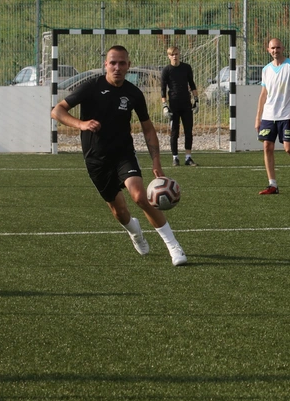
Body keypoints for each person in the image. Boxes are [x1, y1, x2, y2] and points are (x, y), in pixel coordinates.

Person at [51, 45, 188, 266]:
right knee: (120, 212)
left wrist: (156, 162)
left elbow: (148, 128)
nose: (117, 67)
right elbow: (57, 111)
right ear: (105, 64)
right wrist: (81, 124)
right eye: (113, 63)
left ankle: (174, 246)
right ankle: (135, 232)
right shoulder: (91, 87)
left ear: (128, 66)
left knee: (140, 197)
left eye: (122, 63)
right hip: (96, 159)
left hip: (123, 154)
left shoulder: (134, 93)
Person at [255, 38, 290, 194]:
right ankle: (272, 184)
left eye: (278, 47)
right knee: (267, 147)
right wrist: (258, 117)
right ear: (268, 50)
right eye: (272, 48)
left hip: (286, 115)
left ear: (283, 48)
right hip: (268, 115)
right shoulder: (266, 69)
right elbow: (263, 95)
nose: (275, 50)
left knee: (288, 148)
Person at [161, 45, 199, 166]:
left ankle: (188, 157)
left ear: (179, 54)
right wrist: (164, 105)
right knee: (174, 132)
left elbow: (192, 84)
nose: (174, 57)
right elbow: (163, 89)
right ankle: (175, 157)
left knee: (188, 130)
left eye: (176, 54)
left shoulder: (186, 67)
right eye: (172, 55)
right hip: (173, 105)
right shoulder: (166, 70)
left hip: (186, 104)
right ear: (168, 56)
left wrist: (196, 100)